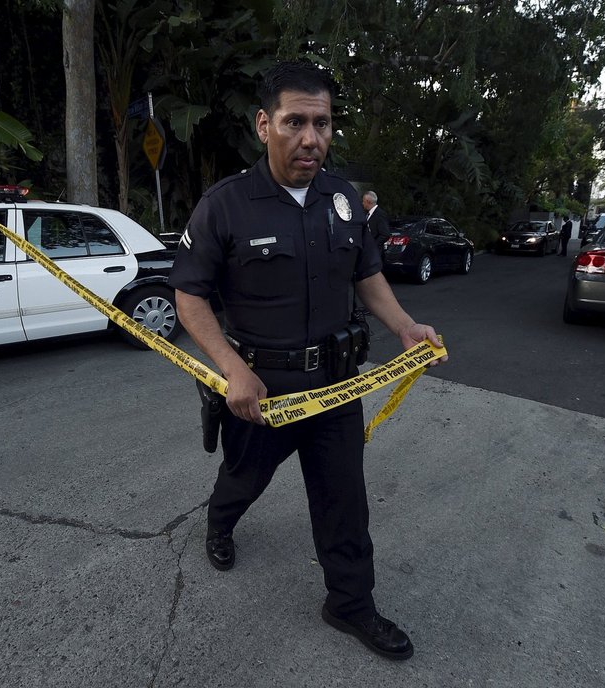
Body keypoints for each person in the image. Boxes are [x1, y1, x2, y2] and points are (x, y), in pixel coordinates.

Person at [168, 60, 447, 661]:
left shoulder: (343, 198)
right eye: (295, 122)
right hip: (262, 391)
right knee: (242, 480)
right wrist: (230, 369)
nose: (311, 138)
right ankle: (220, 522)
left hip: (338, 386)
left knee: (345, 501)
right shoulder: (225, 206)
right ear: (264, 125)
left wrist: (405, 326)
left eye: (321, 123)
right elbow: (188, 295)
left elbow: (367, 274)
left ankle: (349, 604)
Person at [362, 190, 390, 257]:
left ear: (368, 202)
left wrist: (373, 246)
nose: (362, 203)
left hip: (375, 254)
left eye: (363, 201)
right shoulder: (367, 214)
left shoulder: (380, 214)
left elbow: (385, 234)